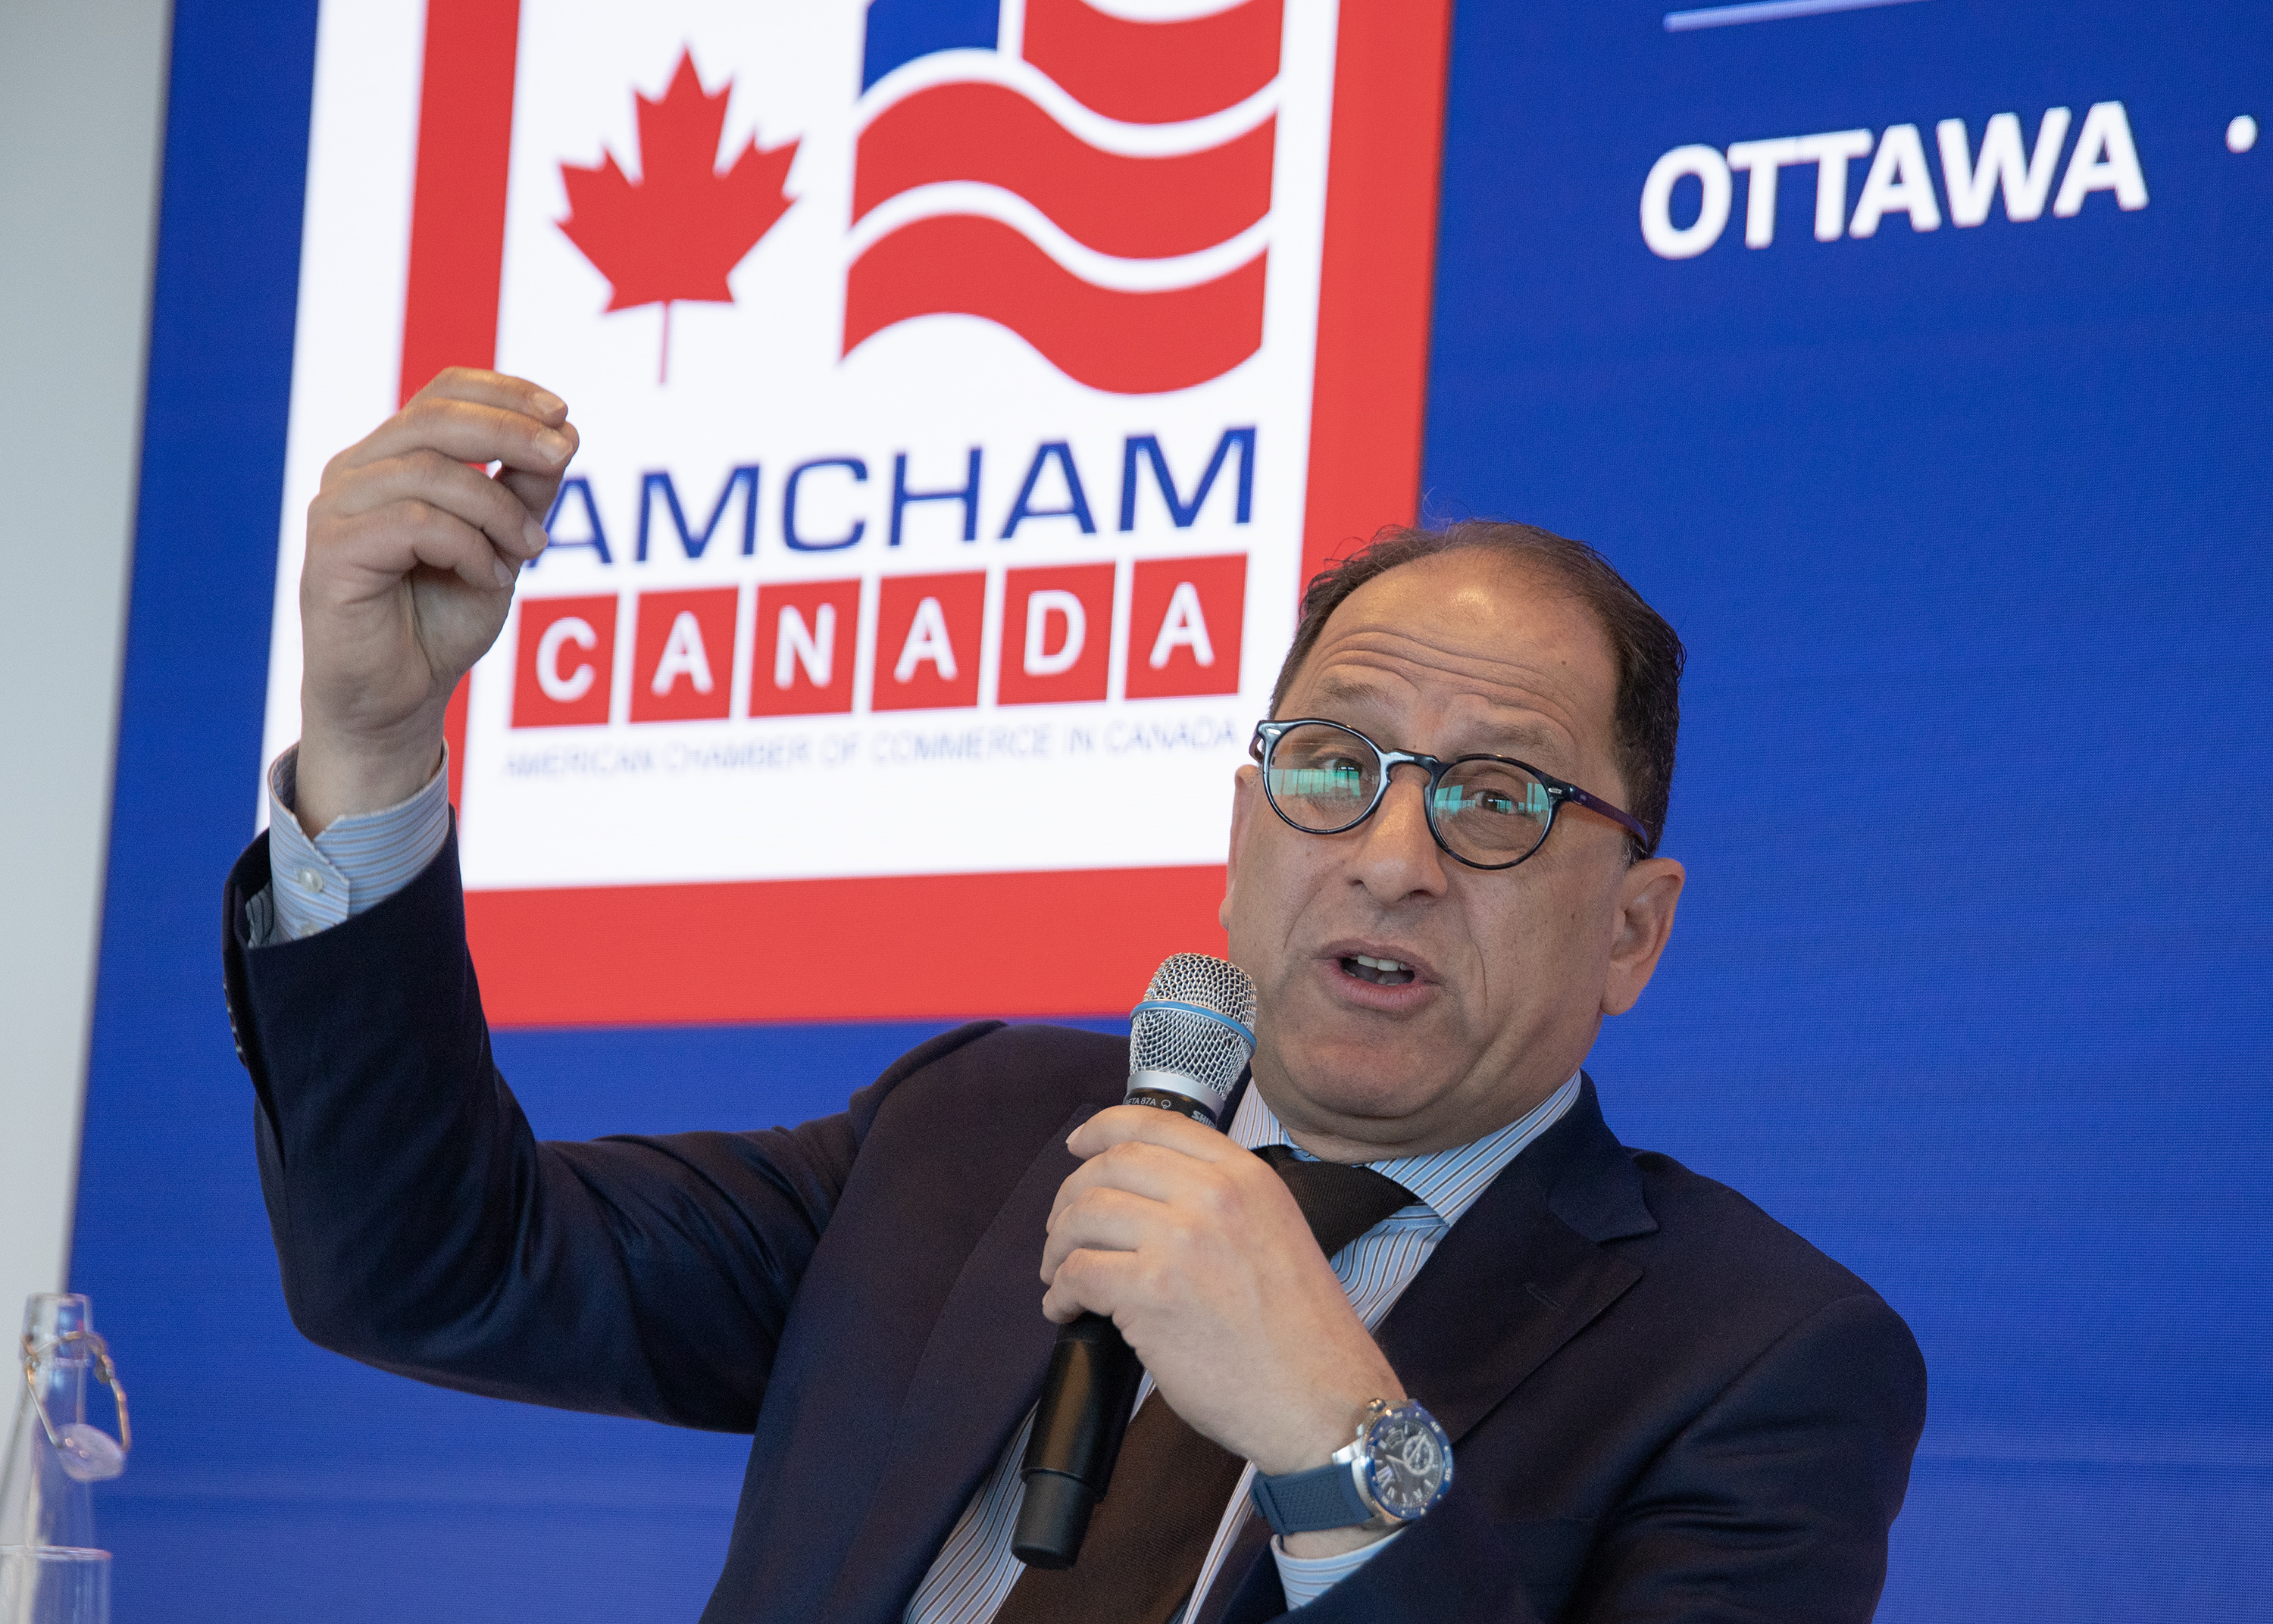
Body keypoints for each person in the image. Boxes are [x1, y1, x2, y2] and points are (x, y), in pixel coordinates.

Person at [221, 369, 1927, 1624]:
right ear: (1244, 833)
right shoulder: (981, 1131)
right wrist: (372, 744)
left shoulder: (1760, 1358)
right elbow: (433, 1267)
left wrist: (1336, 1428)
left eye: (1495, 798)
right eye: (1333, 768)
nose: (1392, 857)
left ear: (1633, 929)